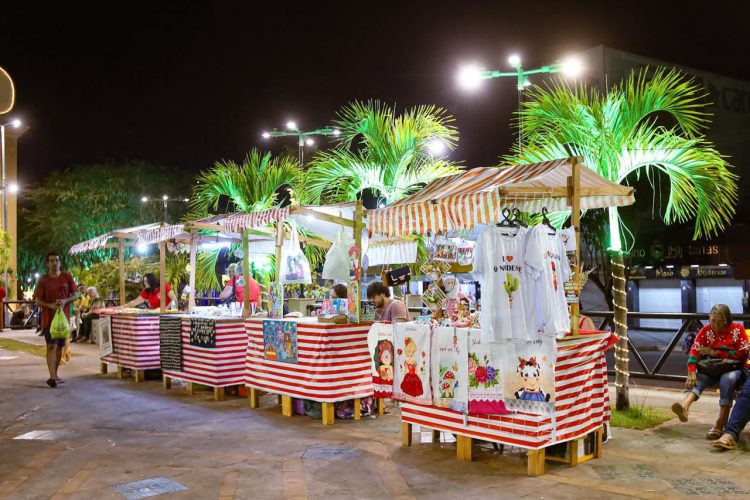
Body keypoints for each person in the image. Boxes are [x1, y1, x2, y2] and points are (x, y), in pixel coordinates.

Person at [671, 304, 748, 440]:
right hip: (712, 368)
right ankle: (684, 406)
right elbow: (695, 350)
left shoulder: (737, 329)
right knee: (698, 378)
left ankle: (720, 423)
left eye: (719, 322)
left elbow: (742, 354)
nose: (715, 325)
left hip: (732, 368)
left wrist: (716, 352)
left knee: (728, 380)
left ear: (727, 321)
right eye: (712, 321)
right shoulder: (706, 331)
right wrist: (691, 371)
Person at [34, 251, 77, 388]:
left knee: (59, 347)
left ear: (60, 262)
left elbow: (76, 295)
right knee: (51, 346)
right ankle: (52, 377)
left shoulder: (67, 277)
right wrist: (50, 305)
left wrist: (65, 301)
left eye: (56, 260)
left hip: (63, 320)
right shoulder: (43, 280)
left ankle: (56, 374)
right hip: (48, 319)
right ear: (48, 263)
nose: (54, 263)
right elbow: (38, 300)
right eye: (51, 260)